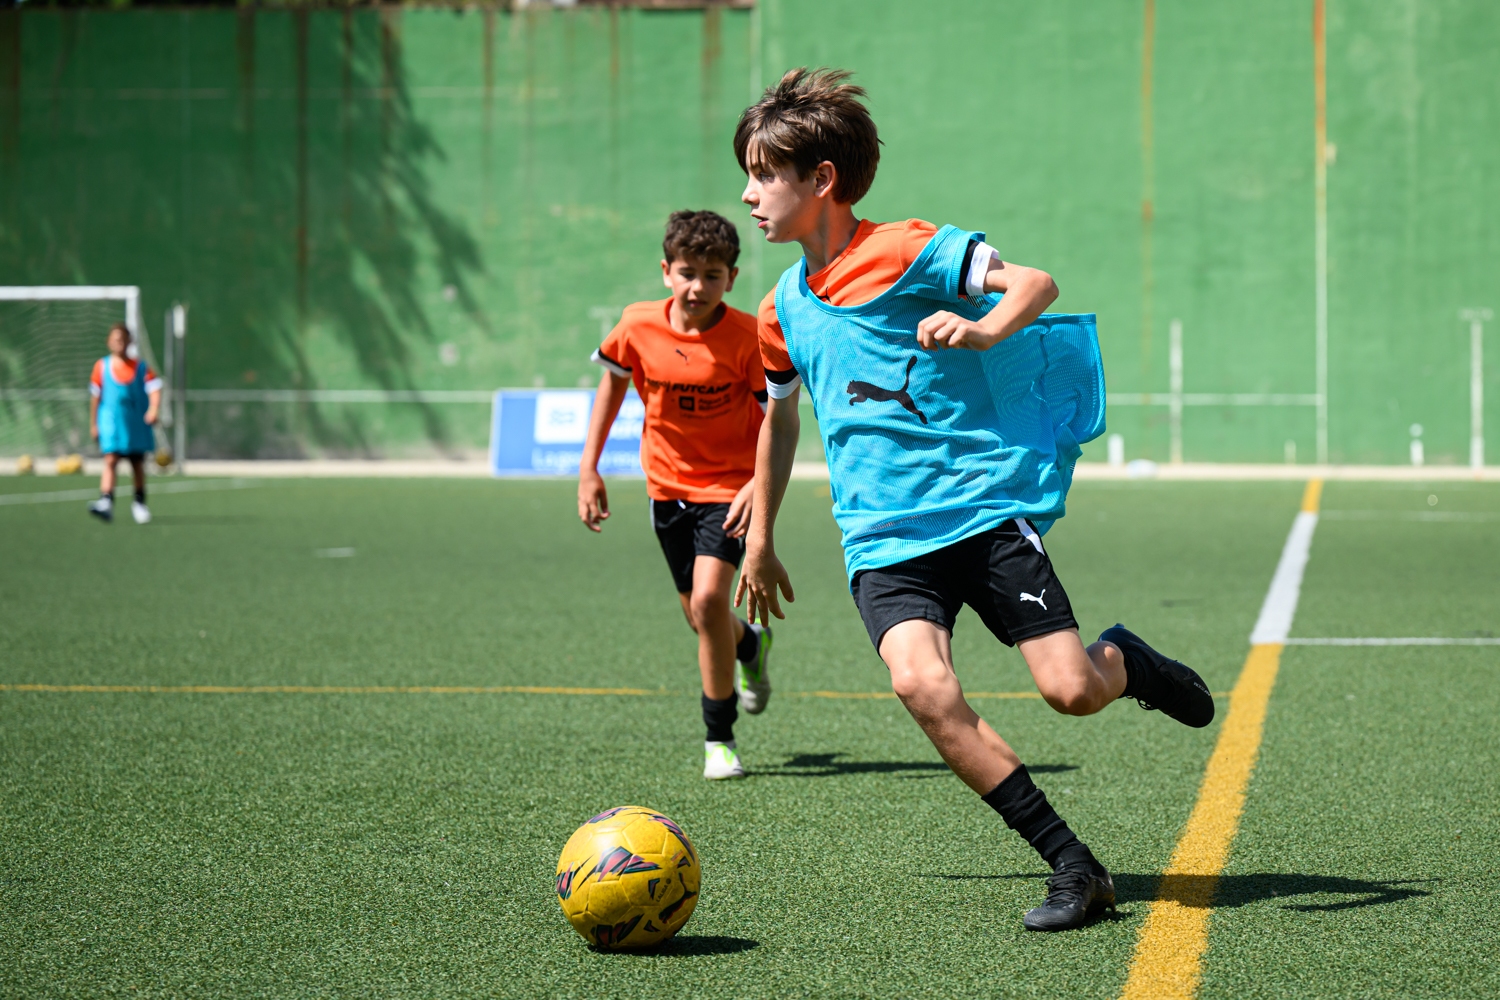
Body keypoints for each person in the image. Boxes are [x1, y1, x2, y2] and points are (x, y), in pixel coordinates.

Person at [733, 69, 1215, 931]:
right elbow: (780, 419)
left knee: (1070, 691)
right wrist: (760, 538)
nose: (749, 194)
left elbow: (1036, 282)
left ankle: (1130, 664)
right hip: (881, 540)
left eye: (764, 175)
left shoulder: (908, 248)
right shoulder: (779, 310)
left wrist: (984, 327)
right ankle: (1074, 865)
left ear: (822, 179)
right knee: (922, 687)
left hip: (982, 514)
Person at [578, 210, 774, 780]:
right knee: (700, 616)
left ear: (731, 278)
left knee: (710, 601)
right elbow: (612, 386)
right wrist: (589, 468)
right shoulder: (636, 325)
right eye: (687, 273)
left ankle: (719, 740)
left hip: (730, 489)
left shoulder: (747, 338)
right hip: (666, 489)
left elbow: (776, 418)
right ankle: (749, 646)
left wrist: (757, 484)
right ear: (666, 271)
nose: (698, 287)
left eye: (712, 275)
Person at [88, 323, 160, 525]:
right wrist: (93, 424)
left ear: (130, 342)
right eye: (115, 339)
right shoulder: (102, 366)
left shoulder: (141, 367)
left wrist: (154, 408)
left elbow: (155, 387)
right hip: (111, 422)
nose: (118, 343)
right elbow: (95, 397)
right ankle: (106, 501)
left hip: (134, 423)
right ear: (108, 342)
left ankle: (139, 503)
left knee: (136, 462)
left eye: (122, 339)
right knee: (110, 459)